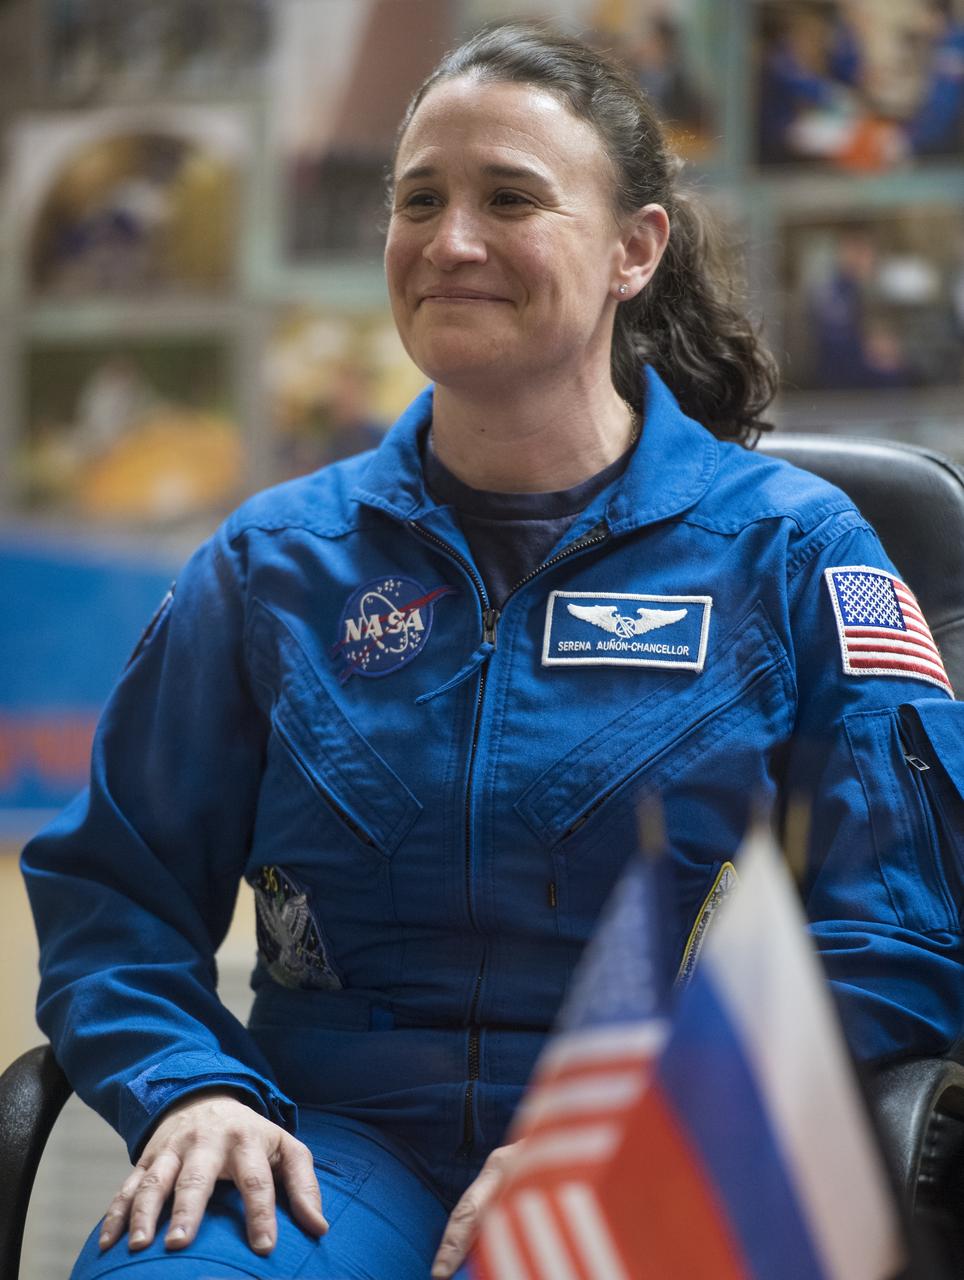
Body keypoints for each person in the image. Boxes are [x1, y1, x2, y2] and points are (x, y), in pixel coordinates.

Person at [21, 21, 964, 1280]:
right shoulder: (272, 565)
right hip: (329, 1139)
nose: (450, 240)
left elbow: (897, 933)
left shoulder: (794, 551)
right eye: (420, 200)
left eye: (509, 197)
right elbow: (113, 894)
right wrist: (191, 1087)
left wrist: (655, 1120)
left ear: (635, 248)